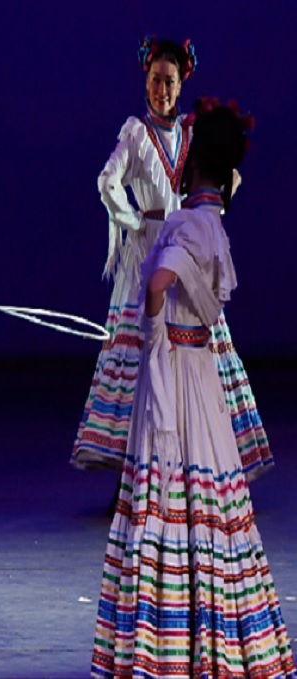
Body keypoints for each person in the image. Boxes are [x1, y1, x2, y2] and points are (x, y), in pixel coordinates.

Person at [91, 98, 295, 678]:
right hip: (201, 377)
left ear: (192, 162)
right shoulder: (215, 224)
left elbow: (158, 282)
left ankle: (170, 651)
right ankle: (221, 644)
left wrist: (152, 327)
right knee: (211, 502)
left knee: (170, 497)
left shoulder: (184, 223)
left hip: (176, 370)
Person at [72, 37, 272, 483]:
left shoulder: (192, 132)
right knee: (147, 367)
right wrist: (136, 220)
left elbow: (228, 174)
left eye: (170, 81)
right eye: (156, 80)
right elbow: (107, 182)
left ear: (182, 85)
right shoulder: (136, 134)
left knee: (194, 359)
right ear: (145, 80)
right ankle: (137, 474)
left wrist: (207, 214)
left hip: (187, 257)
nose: (162, 89)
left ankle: (202, 461)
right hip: (152, 259)